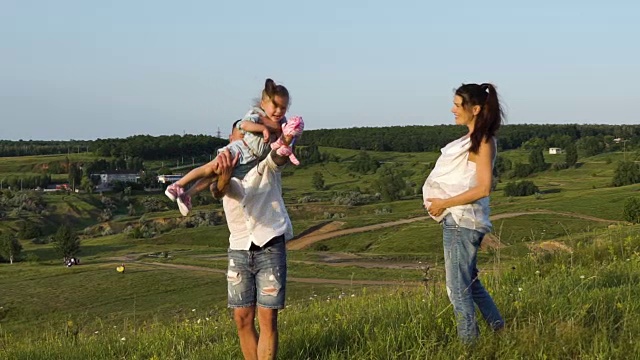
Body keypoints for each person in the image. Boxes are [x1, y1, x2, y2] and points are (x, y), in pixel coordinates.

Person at [422, 83, 505, 343]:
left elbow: (483, 187)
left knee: (457, 289)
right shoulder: (472, 140)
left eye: (458, 105)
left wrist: (444, 203)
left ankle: (469, 346)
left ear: (476, 108)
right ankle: (499, 330)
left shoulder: (482, 142)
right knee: (470, 283)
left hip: (462, 222)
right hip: (460, 220)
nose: (453, 109)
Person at [210, 138, 299, 360]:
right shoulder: (223, 164)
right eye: (237, 134)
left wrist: (287, 140)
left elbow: (278, 157)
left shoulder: (265, 164)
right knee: (242, 318)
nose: (241, 139)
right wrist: (224, 176)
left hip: (269, 246)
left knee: (268, 318)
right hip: (238, 248)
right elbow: (217, 191)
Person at [165, 78, 295, 216]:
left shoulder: (282, 123)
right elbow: (243, 125)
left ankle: (187, 195)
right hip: (240, 150)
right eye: (275, 106)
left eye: (283, 108)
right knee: (210, 168)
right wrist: (263, 129)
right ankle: (177, 185)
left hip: (250, 160)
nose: (279, 111)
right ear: (263, 104)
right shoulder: (257, 114)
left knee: (214, 176)